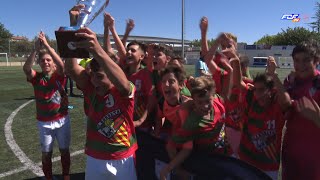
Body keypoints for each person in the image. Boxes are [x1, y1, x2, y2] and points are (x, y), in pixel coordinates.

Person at [23, 31, 71, 180]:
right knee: (46, 153)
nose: (46, 62)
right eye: (43, 60)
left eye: (49, 60)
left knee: (64, 150)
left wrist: (48, 47)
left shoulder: (59, 75)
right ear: (39, 63)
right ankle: (48, 177)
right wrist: (35, 50)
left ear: (53, 63)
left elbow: (62, 66)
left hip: (62, 120)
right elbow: (26, 69)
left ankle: (66, 176)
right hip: (44, 123)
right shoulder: (37, 78)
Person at [282, 39, 320, 180]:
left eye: (306, 60)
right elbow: (283, 111)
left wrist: (317, 118)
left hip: (314, 156)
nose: (300, 65)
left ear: (316, 60)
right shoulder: (290, 81)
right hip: (291, 150)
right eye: (296, 60)